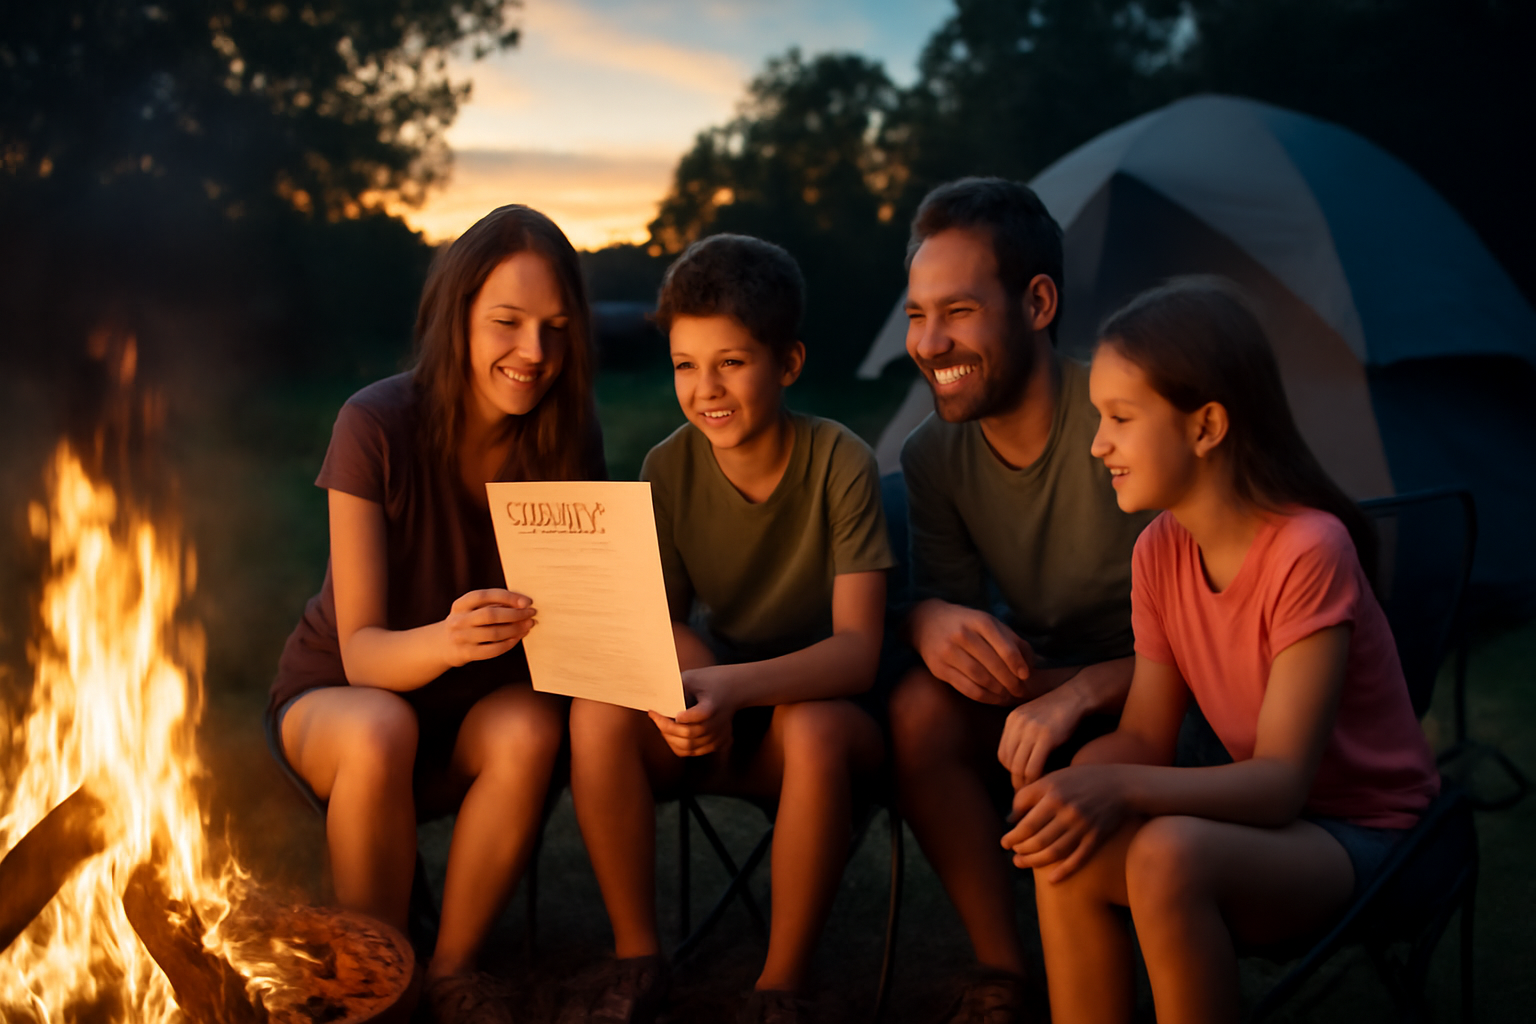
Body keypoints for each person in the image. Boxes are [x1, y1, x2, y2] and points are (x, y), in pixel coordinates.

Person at [1005, 277, 1439, 1024]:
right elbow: (1146, 736)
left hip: (1370, 839)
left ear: (1206, 426)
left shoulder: (1308, 551)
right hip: (1264, 834)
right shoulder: (1159, 553)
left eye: (1120, 417)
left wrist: (1123, 790)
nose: (1097, 442)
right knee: (1067, 843)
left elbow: (1279, 784)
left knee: (1167, 855)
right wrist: (1072, 788)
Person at [267, 205, 604, 1024]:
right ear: (457, 319)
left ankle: (451, 971)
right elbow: (363, 655)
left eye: (556, 328)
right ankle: (379, 979)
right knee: (382, 723)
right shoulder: (375, 425)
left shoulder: (566, 439)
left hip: (471, 718)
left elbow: (582, 619)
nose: (535, 353)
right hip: (340, 703)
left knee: (531, 724)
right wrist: (452, 639)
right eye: (508, 323)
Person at [563, 234, 893, 1024]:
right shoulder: (668, 468)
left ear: (788, 362)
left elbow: (857, 653)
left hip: (819, 723)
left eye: (732, 363)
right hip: (717, 711)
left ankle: (781, 985)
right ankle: (637, 956)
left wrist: (730, 688)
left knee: (812, 730)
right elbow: (661, 623)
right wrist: (681, 690)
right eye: (685, 364)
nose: (705, 388)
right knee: (599, 711)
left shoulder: (839, 462)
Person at [888, 177, 1154, 1021]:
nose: (930, 343)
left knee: (1088, 775)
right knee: (919, 712)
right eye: (916, 314)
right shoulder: (935, 455)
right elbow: (948, 601)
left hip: (1167, 696)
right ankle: (1002, 972)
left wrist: (1080, 693)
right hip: (1042, 690)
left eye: (958, 311)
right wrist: (928, 618)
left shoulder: (1121, 417)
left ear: (1037, 302)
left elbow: (1209, 638)